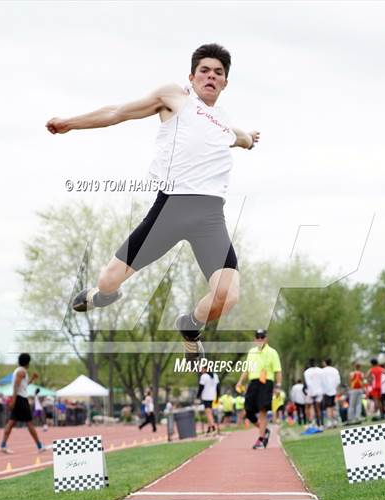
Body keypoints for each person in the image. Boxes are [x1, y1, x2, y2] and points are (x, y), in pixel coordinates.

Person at [46, 44, 259, 363]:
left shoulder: (225, 125)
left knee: (227, 296)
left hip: (210, 218)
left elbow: (241, 138)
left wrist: (249, 138)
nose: (211, 77)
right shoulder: (176, 98)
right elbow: (117, 112)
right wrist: (70, 122)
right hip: (169, 211)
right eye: (205, 70)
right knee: (108, 281)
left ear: (225, 83)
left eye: (218, 73)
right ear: (192, 76)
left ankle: (190, 326)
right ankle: (101, 296)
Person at [236, 329, 282, 449]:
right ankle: (264, 430)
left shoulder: (272, 352)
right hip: (253, 383)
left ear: (266, 339)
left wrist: (278, 386)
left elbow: (278, 371)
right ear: (255, 339)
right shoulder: (251, 352)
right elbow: (246, 369)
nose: (260, 340)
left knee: (263, 409)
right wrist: (240, 382)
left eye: (262, 337)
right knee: (248, 410)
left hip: (266, 382)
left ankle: (261, 439)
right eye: (258, 337)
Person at [0, 353, 47, 454]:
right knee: (29, 422)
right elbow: (16, 386)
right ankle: (39, 446)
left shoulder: (21, 371)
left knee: (11, 422)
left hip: (19, 398)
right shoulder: (21, 371)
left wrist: (32, 379)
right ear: (27, 362)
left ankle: (3, 445)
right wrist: (14, 400)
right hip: (21, 399)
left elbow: (22, 385)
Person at [197, 367, 220, 434]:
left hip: (206, 396)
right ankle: (209, 428)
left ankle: (213, 427)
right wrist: (218, 396)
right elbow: (218, 387)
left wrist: (197, 396)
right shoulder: (215, 376)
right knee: (209, 412)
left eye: (201, 369)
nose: (200, 370)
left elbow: (201, 387)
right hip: (213, 396)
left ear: (205, 368)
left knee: (208, 412)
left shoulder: (204, 376)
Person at [304, 359, 324, 427]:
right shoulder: (320, 370)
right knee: (318, 408)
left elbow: (308, 383)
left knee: (312, 407)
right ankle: (320, 423)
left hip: (312, 391)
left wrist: (311, 392)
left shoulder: (307, 372)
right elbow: (322, 381)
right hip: (320, 391)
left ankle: (313, 422)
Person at [321, 358, 341, 428]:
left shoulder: (322, 371)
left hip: (326, 391)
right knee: (332, 406)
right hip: (333, 390)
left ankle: (330, 422)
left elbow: (321, 381)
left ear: (325, 363)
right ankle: (334, 421)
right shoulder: (335, 370)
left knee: (328, 407)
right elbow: (338, 381)